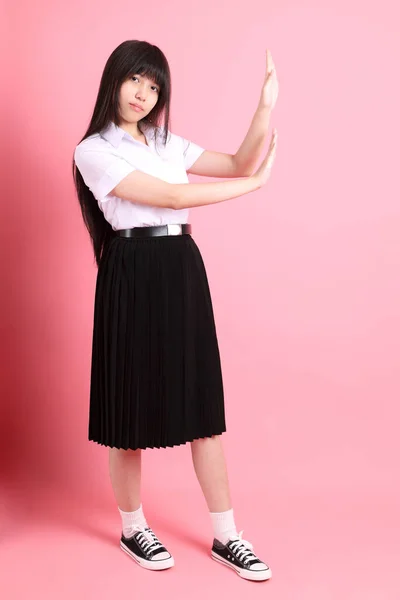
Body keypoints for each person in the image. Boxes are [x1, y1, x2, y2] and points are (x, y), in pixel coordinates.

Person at [72, 39, 278, 581]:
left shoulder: (166, 141)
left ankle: (228, 536)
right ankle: (133, 526)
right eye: (135, 79)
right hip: (131, 270)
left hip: (181, 265)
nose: (144, 93)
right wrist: (251, 187)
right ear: (114, 79)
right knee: (128, 413)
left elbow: (237, 159)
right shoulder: (93, 149)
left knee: (203, 407)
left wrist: (264, 109)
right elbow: (169, 197)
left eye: (155, 85)